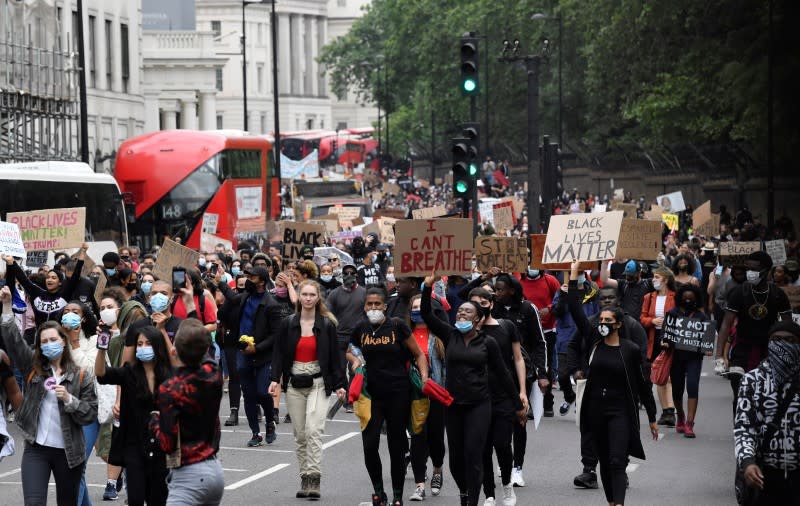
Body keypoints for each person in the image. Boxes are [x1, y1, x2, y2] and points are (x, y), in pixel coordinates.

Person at [419, 275, 523, 506]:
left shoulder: (488, 343)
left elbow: (505, 375)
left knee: (474, 456)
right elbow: (427, 313)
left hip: (479, 405)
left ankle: (473, 501)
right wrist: (427, 286)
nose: (462, 315)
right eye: (460, 312)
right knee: (456, 460)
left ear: (478, 319)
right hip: (454, 406)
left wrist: (518, 405)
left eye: (467, 312)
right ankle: (464, 492)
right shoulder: (450, 335)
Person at [565, 261, 658, 506]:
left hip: (621, 411)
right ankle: (611, 501)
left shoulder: (631, 349)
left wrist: (652, 416)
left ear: (618, 324)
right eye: (601, 320)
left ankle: (618, 503)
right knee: (605, 462)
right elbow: (575, 307)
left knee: (617, 460)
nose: (602, 324)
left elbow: (642, 383)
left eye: (608, 321)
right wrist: (574, 275)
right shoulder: (594, 340)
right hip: (595, 410)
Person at [1, 286, 98, 506]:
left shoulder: (80, 375)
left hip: (69, 453)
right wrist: (7, 306)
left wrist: (70, 400)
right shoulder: (34, 368)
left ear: (63, 342)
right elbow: (14, 342)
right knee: (34, 503)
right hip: (37, 450)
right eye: (43, 342)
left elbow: (90, 413)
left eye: (53, 340)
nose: (48, 345)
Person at [346, 287, 429, 506]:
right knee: (369, 445)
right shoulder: (361, 328)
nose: (373, 308)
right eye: (369, 304)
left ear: (384, 306)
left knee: (396, 447)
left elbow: (418, 354)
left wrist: (425, 377)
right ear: (364, 307)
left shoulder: (397, 326)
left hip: (398, 394)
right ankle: (378, 492)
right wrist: (355, 361)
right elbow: (350, 348)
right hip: (371, 396)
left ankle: (397, 496)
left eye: (377, 304)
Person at [269, 280, 346, 500]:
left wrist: (340, 384)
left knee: (314, 430)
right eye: (305, 294)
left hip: (319, 382)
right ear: (299, 297)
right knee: (300, 434)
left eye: (313, 294)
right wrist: (275, 379)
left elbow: (335, 357)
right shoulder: (288, 323)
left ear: (318, 297)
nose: (309, 298)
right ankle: (304, 476)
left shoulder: (327, 324)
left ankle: (314, 478)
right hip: (294, 382)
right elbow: (279, 354)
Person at [149, 319, 225, 506]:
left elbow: (167, 443)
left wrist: (154, 422)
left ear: (175, 351)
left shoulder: (171, 389)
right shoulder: (213, 374)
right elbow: (202, 348)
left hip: (189, 476)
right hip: (214, 469)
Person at [96, 325, 172, 506]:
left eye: (148, 343)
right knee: (136, 498)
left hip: (161, 446)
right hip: (134, 444)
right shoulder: (129, 372)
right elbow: (101, 373)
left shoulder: (168, 375)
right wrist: (101, 348)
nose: (143, 347)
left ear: (157, 346)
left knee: (158, 499)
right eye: (139, 344)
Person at [469, 288, 528, 506]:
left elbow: (518, 359)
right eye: (474, 302)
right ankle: (489, 494)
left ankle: (507, 487)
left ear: (492, 304)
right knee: (482, 447)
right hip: (478, 397)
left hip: (504, 395)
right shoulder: (468, 332)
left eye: (484, 301)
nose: (480, 305)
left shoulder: (506, 327)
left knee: (502, 443)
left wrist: (522, 391)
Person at [491, 273, 548, 488]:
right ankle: (504, 458)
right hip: (495, 375)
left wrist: (542, 374)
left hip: (520, 374)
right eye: (494, 290)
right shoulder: (492, 309)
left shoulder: (527, 309)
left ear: (512, 291)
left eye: (500, 290)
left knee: (519, 421)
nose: (497, 294)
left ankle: (517, 468)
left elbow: (539, 342)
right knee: (496, 422)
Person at [734, 321, 800, 504]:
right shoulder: (752, 381)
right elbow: (744, 427)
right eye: (776, 339)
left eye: (790, 340)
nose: (782, 344)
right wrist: (747, 462)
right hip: (764, 475)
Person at [717, 251, 792, 408]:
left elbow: (788, 327)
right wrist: (719, 357)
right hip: (741, 350)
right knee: (739, 393)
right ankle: (740, 429)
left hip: (769, 352)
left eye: (754, 269)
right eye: (748, 269)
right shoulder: (738, 292)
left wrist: (789, 355)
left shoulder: (778, 295)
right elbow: (726, 324)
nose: (750, 273)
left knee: (766, 396)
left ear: (766, 271)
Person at [406, 294, 447, 502]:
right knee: (417, 437)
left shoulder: (440, 336)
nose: (417, 311)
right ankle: (420, 484)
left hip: (436, 393)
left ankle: (438, 470)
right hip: (413, 395)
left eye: (421, 307)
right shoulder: (405, 334)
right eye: (414, 307)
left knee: (437, 439)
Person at [663, 284, 710, 438]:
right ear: (680, 299)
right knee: (677, 389)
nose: (688, 301)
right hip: (676, 357)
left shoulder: (701, 317)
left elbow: (707, 337)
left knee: (692, 386)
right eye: (685, 298)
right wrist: (663, 341)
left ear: (697, 299)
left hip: (694, 358)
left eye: (692, 298)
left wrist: (707, 347)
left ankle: (689, 423)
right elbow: (664, 334)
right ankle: (681, 416)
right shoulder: (672, 314)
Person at [3, 244, 88, 326]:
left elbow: (75, 276)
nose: (49, 280)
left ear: (60, 282)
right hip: (41, 336)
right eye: (48, 277)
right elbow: (24, 280)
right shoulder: (38, 293)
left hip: (58, 336)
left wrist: (83, 252)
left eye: (53, 278)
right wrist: (12, 262)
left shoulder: (65, 294)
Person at [552, 272, 599, 416]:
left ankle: (581, 402)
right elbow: (556, 312)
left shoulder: (592, 291)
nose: (577, 275)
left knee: (583, 374)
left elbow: (598, 312)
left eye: (579, 273)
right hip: (566, 338)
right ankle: (569, 396)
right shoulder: (562, 290)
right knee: (563, 375)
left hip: (585, 338)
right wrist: (562, 296)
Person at [640, 267, 678, 427]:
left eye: (656, 277)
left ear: (666, 280)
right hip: (653, 339)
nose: (653, 280)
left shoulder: (675, 297)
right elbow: (642, 317)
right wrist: (652, 321)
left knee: (669, 377)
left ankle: (671, 409)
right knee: (659, 376)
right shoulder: (648, 297)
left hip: (670, 339)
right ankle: (666, 411)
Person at [327, 263, 367, 411]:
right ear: (342, 275)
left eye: (352, 272)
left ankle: (350, 399)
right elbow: (328, 314)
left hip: (357, 338)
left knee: (354, 369)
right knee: (340, 368)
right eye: (346, 273)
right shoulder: (335, 294)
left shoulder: (364, 293)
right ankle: (344, 393)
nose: (349, 275)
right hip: (339, 337)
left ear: (356, 275)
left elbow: (368, 312)